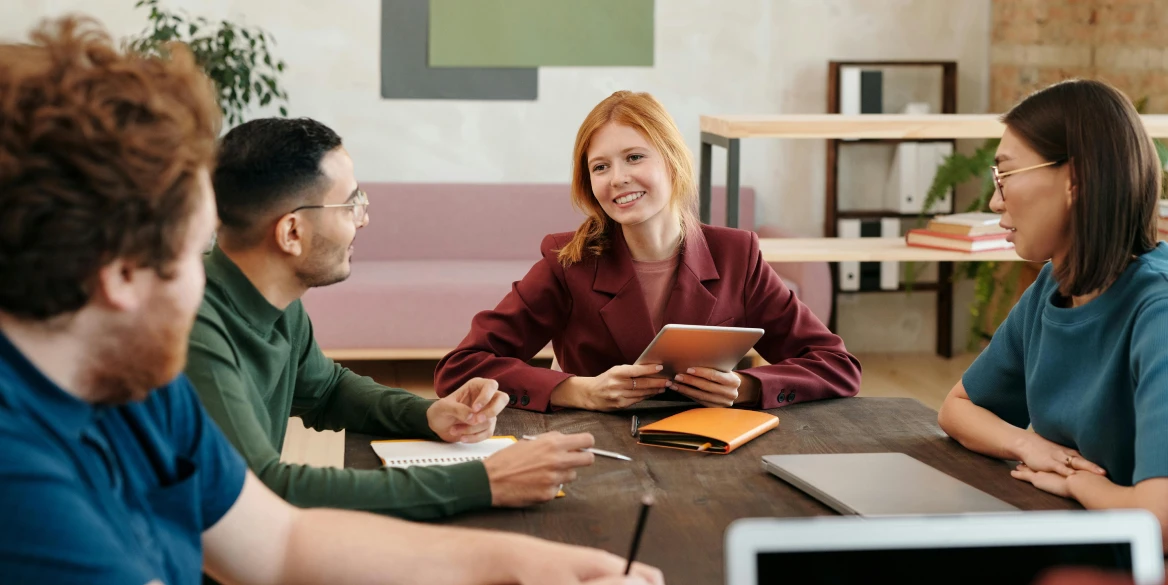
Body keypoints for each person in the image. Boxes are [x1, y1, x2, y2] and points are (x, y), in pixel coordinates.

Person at [0, 16, 663, 585]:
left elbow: (280, 543)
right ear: (120, 277)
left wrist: (526, 560)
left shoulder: (138, 383)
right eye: (191, 253)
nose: (207, 276)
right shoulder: (22, 472)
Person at [186, 116, 594, 519]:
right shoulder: (192, 329)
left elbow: (326, 391)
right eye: (350, 205)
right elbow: (259, 491)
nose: (363, 219)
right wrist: (484, 480)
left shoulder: (276, 301)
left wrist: (427, 414)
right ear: (291, 233)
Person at [435, 90, 861, 412]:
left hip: (712, 451)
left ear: (673, 162)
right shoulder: (566, 261)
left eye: (634, 157)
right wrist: (578, 390)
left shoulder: (737, 255)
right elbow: (460, 367)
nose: (617, 178)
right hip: (597, 448)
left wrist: (749, 386)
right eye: (600, 167)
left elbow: (837, 365)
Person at [936, 79, 1168, 543]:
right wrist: (1028, 445)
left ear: (1076, 180)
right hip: (1081, 537)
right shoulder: (1053, 286)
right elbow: (957, 409)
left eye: (1005, 175)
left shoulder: (1157, 313)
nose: (994, 201)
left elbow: (1158, 523)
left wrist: (1077, 482)